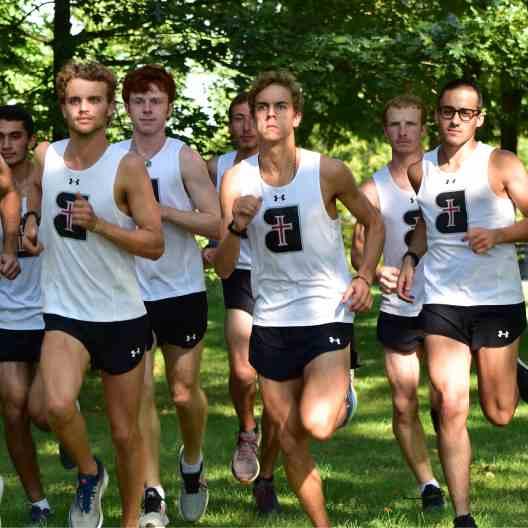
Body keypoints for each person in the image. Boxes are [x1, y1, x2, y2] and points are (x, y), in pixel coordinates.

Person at [214, 70, 384, 526]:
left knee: (316, 424)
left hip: (326, 310)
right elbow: (225, 265)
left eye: (280, 107)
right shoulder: (236, 180)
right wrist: (235, 225)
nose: (269, 115)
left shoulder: (325, 170)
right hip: (270, 319)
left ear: (297, 115)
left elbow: (375, 222)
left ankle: (342, 393)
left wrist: (365, 275)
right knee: (289, 437)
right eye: (262, 108)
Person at [22, 61, 164, 528]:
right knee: (55, 405)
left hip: (120, 315)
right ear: (63, 105)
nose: (84, 108)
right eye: (75, 100)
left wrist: (100, 225)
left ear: (108, 108)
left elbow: (154, 241)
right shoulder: (47, 155)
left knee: (126, 435)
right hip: (64, 310)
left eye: (94, 100)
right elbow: (37, 189)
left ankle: (127, 520)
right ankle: (88, 473)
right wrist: (30, 221)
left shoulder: (126, 167)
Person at [397, 79, 528, 528]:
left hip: (496, 299)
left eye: (465, 113)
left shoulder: (500, 163)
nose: (455, 120)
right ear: (437, 115)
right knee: (450, 404)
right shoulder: (420, 169)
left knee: (499, 413)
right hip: (442, 300)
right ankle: (463, 516)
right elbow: (424, 226)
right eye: (448, 111)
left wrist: (498, 234)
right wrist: (412, 256)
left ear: (479, 118)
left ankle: (513, 373)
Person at [119, 64, 219, 526]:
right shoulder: (114, 158)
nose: (147, 109)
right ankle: (152, 489)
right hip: (127, 292)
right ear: (127, 108)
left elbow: (216, 222)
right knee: (138, 394)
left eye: (155, 101)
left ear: (168, 107)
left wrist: (163, 213)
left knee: (182, 393)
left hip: (180, 288)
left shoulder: (184, 158)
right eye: (138, 101)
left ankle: (193, 462)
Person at [350, 95, 444, 511]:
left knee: (445, 396)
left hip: (446, 299)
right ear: (385, 130)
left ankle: (452, 455)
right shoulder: (373, 187)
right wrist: (374, 272)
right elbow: (358, 249)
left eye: (410, 124)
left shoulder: (446, 174)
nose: (403, 132)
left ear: (424, 127)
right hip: (401, 304)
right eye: (395, 124)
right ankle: (428, 485)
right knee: (404, 399)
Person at [204, 93, 281, 514]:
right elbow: (201, 213)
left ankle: (266, 477)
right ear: (231, 124)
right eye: (238, 119)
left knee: (277, 385)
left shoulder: (289, 166)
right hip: (241, 274)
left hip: (285, 278)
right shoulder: (218, 168)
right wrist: (209, 245)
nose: (247, 126)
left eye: (253, 118)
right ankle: (247, 430)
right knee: (242, 367)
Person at [0, 104, 54, 525]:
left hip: (51, 311)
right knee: (14, 407)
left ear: (30, 139)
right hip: (5, 314)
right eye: (0, 137)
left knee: (44, 410)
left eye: (15, 135)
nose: (7, 144)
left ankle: (80, 456)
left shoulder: (48, 183)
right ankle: (38, 502)